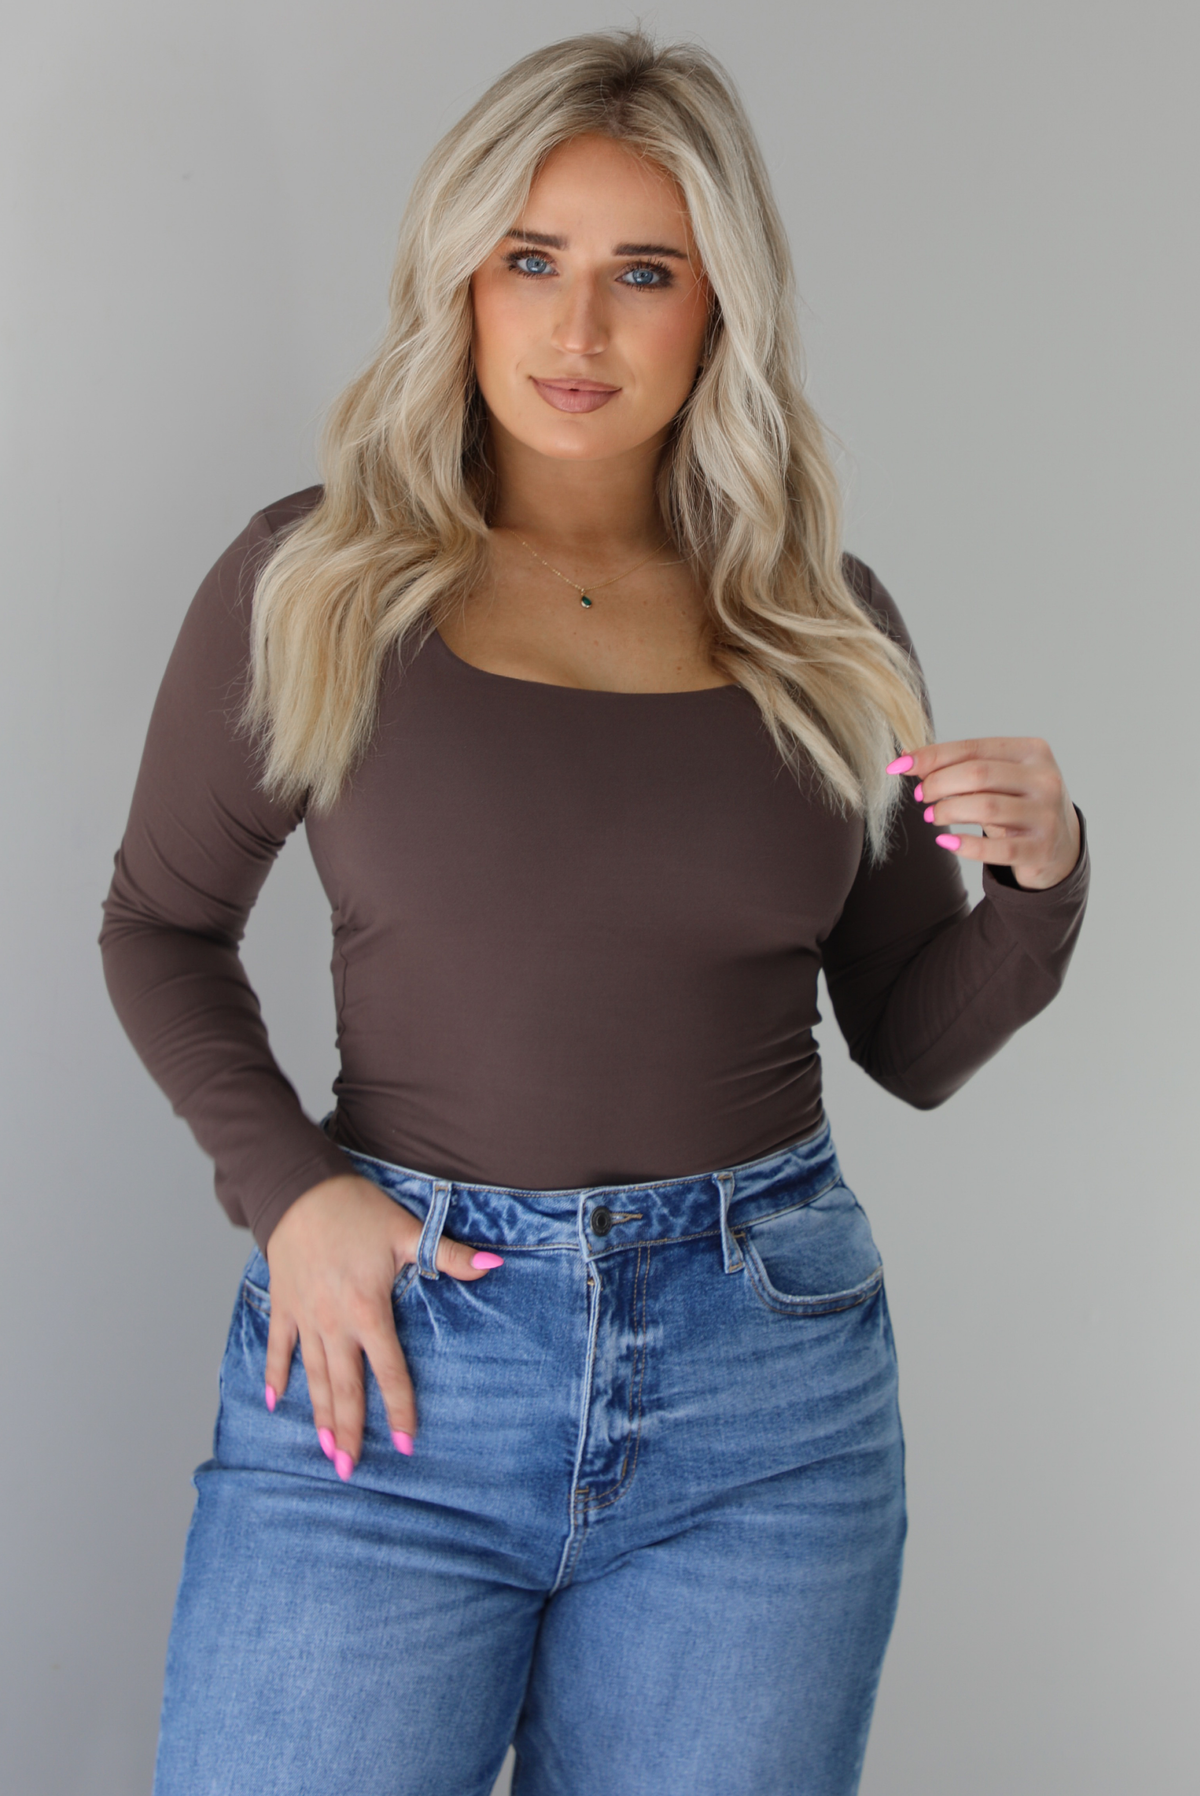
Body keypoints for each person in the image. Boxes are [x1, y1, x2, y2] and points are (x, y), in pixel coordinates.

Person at [100, 29, 1089, 1796]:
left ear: (721, 311)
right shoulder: (310, 584)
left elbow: (910, 1041)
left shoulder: (822, 629)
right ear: (458, 280)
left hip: (763, 1390)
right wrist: (295, 1194)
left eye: (645, 273)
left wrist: (1045, 879)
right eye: (529, 261)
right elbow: (158, 931)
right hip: (395, 1366)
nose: (577, 332)